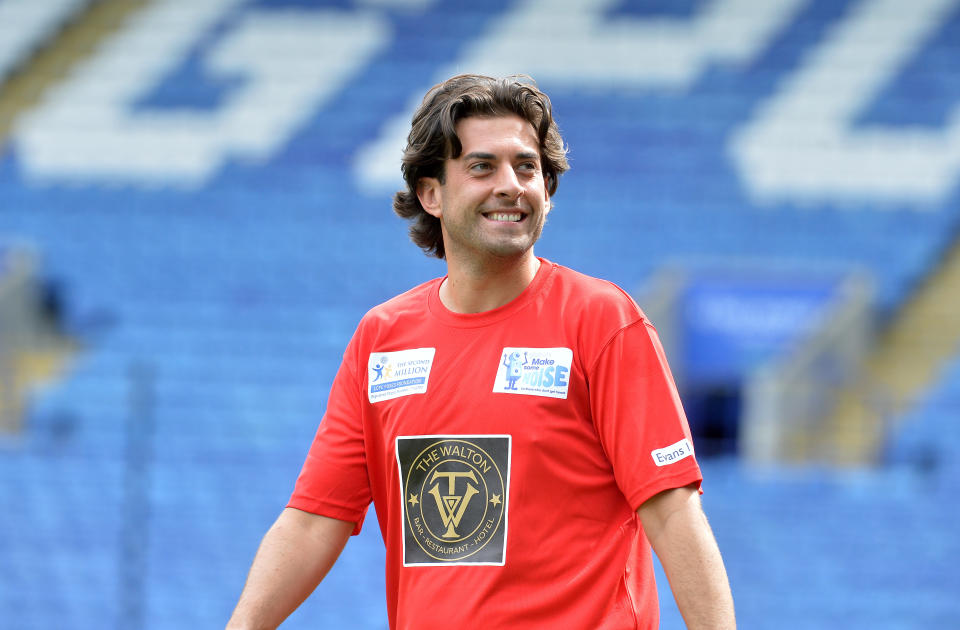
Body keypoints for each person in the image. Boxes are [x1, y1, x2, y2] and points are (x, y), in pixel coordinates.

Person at [227, 74, 735, 629]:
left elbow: (672, 511)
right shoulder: (382, 337)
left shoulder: (602, 320)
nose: (511, 185)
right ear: (431, 194)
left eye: (527, 167)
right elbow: (314, 520)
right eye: (481, 166)